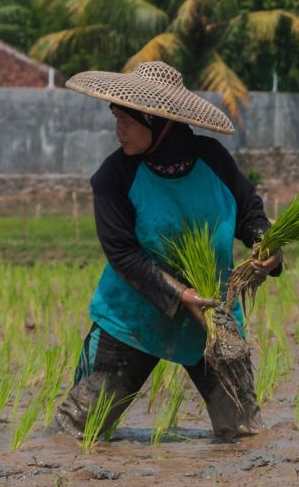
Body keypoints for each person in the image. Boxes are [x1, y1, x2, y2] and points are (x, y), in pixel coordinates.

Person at [52, 61, 281, 442]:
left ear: (158, 120)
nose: (117, 130)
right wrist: (179, 294)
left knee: (244, 436)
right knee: (76, 433)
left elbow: (250, 214)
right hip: (133, 318)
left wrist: (267, 247)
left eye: (126, 120)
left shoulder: (214, 160)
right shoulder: (113, 177)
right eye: (115, 118)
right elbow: (123, 255)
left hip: (212, 311)